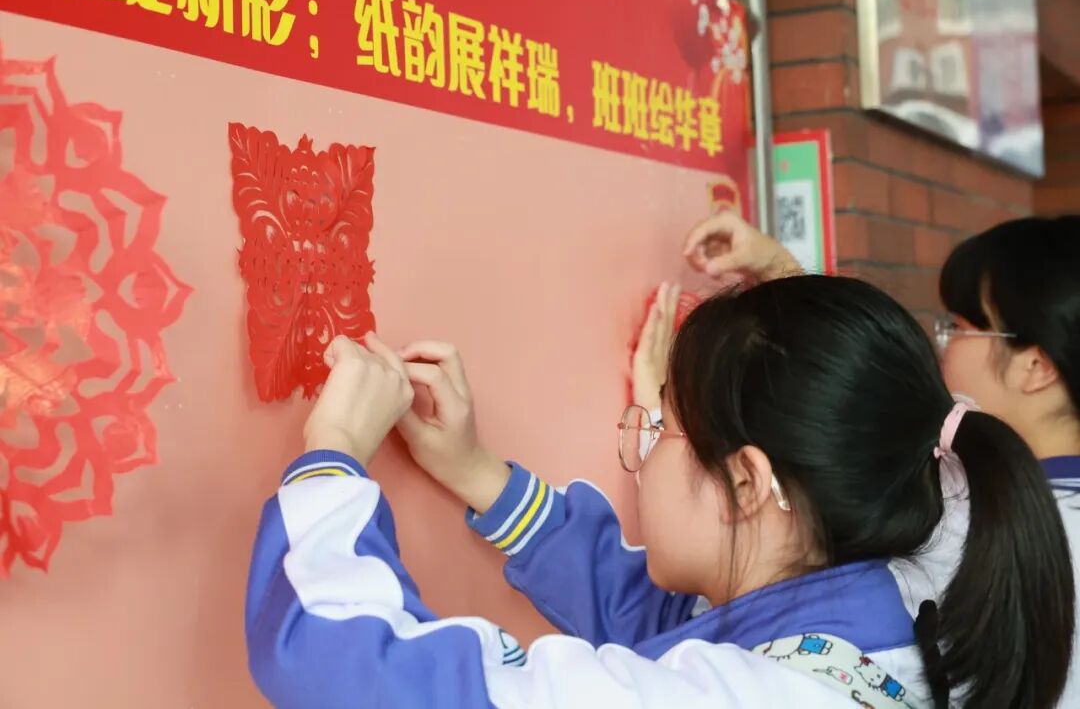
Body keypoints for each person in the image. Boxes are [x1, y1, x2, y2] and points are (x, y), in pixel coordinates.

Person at [246, 275, 1073, 708]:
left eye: (661, 429)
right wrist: (477, 473)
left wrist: (333, 452)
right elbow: (666, 623)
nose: (639, 458)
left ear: (747, 480)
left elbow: (345, 665)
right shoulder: (880, 614)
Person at [676, 212, 1080, 704]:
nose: (942, 344)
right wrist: (779, 270)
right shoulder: (989, 496)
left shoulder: (958, 511)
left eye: (959, 327)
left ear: (1035, 366)